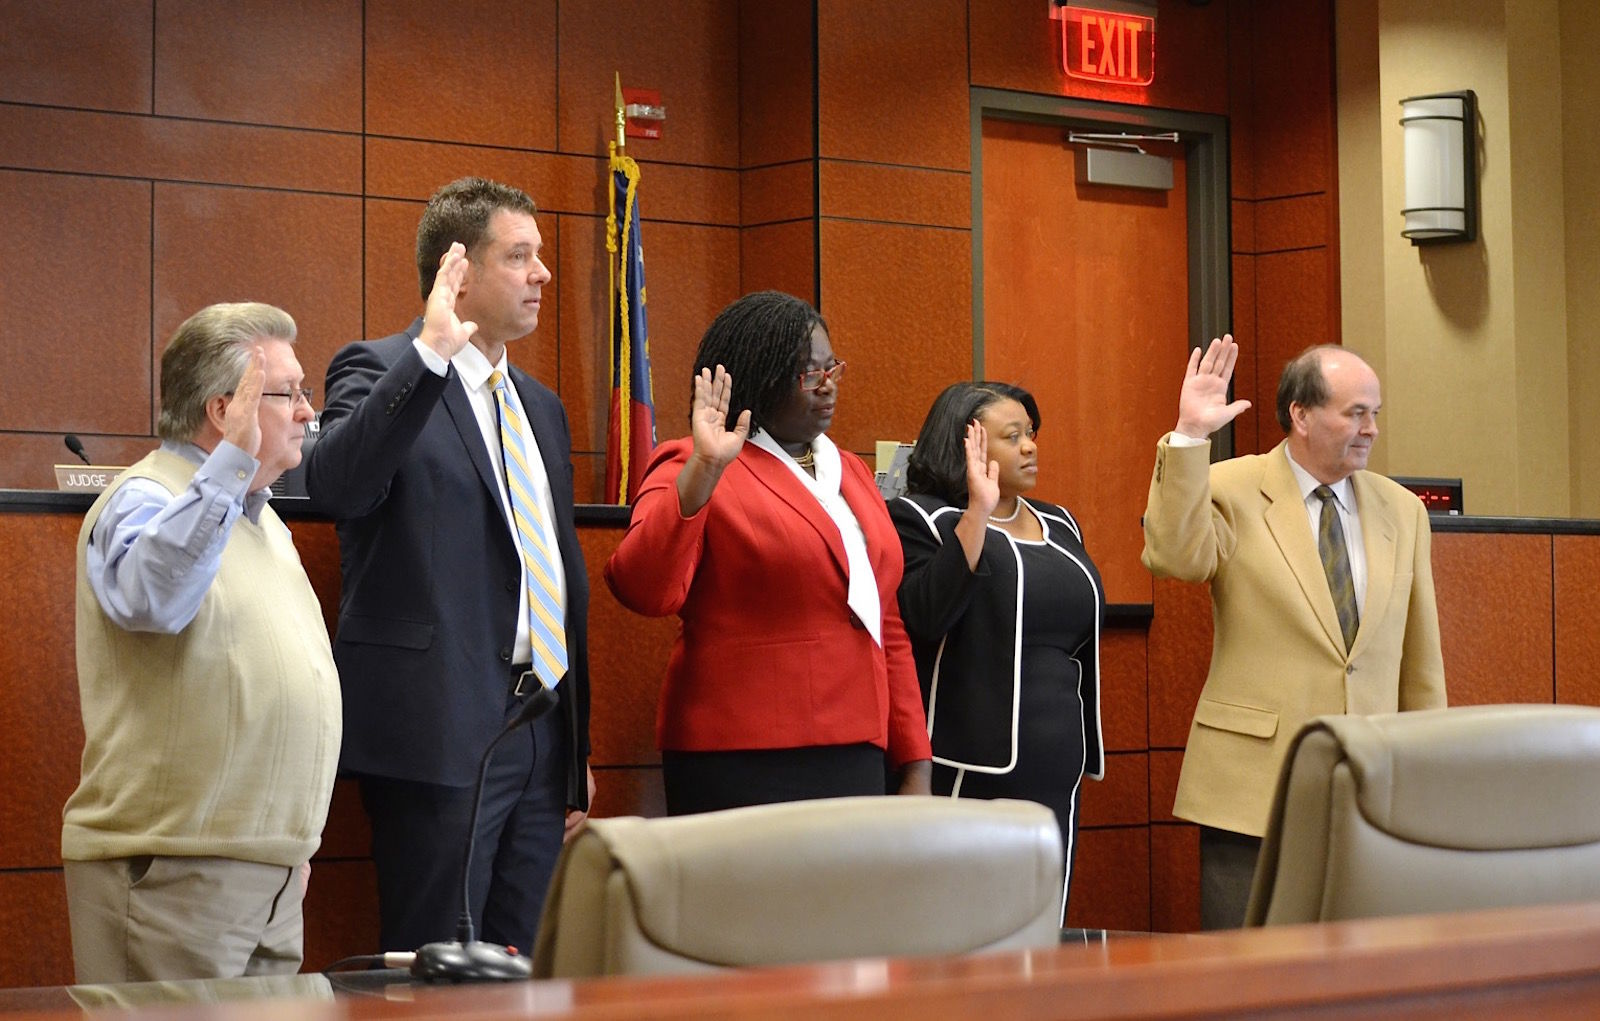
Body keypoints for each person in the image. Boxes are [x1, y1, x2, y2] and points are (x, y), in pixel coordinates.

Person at [305, 177, 592, 955]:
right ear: (457, 271)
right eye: (520, 256)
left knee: (526, 969)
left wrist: (572, 752)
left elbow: (551, 566)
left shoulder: (541, 406)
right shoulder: (377, 367)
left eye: (541, 257)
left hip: (541, 731)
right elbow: (337, 485)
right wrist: (431, 355)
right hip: (440, 732)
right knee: (434, 971)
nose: (543, 275)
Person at [63, 302, 341, 982]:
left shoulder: (264, 521)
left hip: (270, 878)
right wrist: (229, 471)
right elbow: (153, 600)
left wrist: (286, 848)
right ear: (224, 409)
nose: (310, 410)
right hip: (174, 876)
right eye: (288, 393)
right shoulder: (143, 497)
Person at [1141, 335, 1446, 928]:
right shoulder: (1230, 485)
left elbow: (1420, 659)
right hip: (1254, 787)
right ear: (1301, 415)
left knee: (1362, 976)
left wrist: (1429, 772)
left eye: (1375, 413)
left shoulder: (1402, 508)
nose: (1371, 429)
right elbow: (1175, 557)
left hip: (1370, 786)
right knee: (1251, 972)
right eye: (1355, 412)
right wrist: (1189, 437)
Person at [604, 290, 932, 814]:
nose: (827, 387)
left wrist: (915, 760)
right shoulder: (692, 463)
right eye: (808, 374)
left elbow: (884, 621)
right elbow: (642, 588)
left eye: (832, 369)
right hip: (741, 755)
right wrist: (705, 472)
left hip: (857, 750)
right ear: (759, 376)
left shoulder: (851, 472)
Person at [890, 381, 1104, 916]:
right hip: (969, 762)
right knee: (960, 925)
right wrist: (978, 513)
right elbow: (925, 616)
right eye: (1014, 436)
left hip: (1057, 760)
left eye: (1031, 433)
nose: (1031, 446)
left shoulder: (1059, 522)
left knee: (1040, 921)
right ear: (969, 444)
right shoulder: (921, 520)